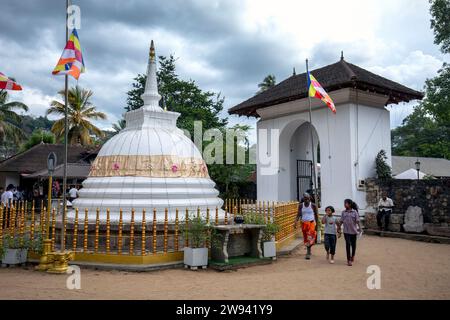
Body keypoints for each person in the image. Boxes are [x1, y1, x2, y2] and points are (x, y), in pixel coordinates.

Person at [294, 193, 319, 260]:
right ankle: (309, 249)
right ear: (303, 199)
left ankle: (308, 252)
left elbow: (316, 216)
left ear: (310, 198)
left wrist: (317, 225)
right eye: (306, 199)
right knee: (306, 238)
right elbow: (298, 214)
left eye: (308, 198)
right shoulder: (301, 206)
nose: (307, 200)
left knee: (309, 237)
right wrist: (295, 222)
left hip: (311, 223)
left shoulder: (313, 205)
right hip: (304, 223)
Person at [338, 199, 362, 266]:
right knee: (348, 245)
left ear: (350, 204)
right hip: (346, 232)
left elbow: (358, 221)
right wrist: (339, 228)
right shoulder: (343, 212)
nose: (345, 205)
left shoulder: (355, 212)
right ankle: (348, 260)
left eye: (346, 203)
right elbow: (341, 221)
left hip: (353, 232)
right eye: (344, 203)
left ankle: (353, 255)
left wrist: (360, 228)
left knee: (353, 245)